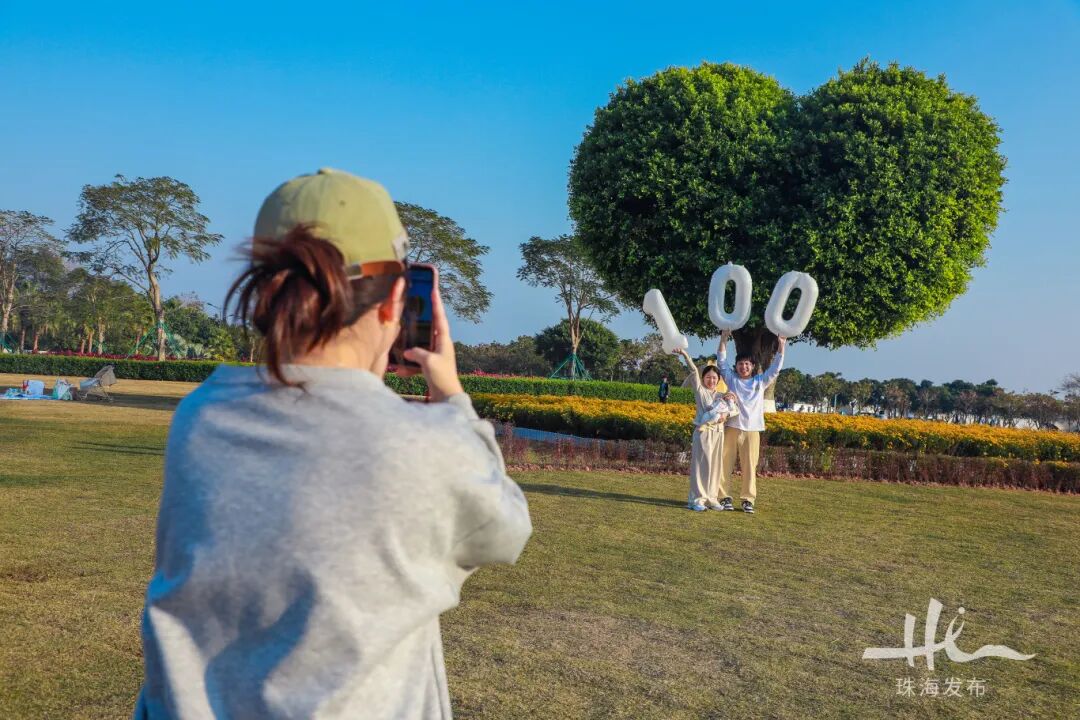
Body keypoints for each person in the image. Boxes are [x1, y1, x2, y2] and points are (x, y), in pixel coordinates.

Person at [133, 168, 532, 719]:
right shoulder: (422, 444)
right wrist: (454, 403)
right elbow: (506, 531)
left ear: (266, 295)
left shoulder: (201, 418)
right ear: (396, 301)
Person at [716, 330, 786, 514]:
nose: (743, 367)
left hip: (752, 430)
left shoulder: (759, 382)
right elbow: (721, 362)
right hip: (731, 427)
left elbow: (775, 370)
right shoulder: (731, 379)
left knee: (749, 466)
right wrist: (724, 338)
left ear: (753, 366)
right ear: (736, 366)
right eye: (740, 364)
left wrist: (781, 347)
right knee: (724, 464)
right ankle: (723, 497)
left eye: (747, 364)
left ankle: (748, 499)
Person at [676, 349, 738, 512]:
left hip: (718, 433)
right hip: (703, 433)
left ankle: (712, 498)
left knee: (715, 465)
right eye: (708, 377)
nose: (711, 380)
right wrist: (685, 354)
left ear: (718, 380)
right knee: (701, 465)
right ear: (703, 378)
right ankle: (697, 499)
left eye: (714, 378)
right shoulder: (700, 391)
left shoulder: (722, 395)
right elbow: (693, 371)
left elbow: (734, 409)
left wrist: (726, 414)